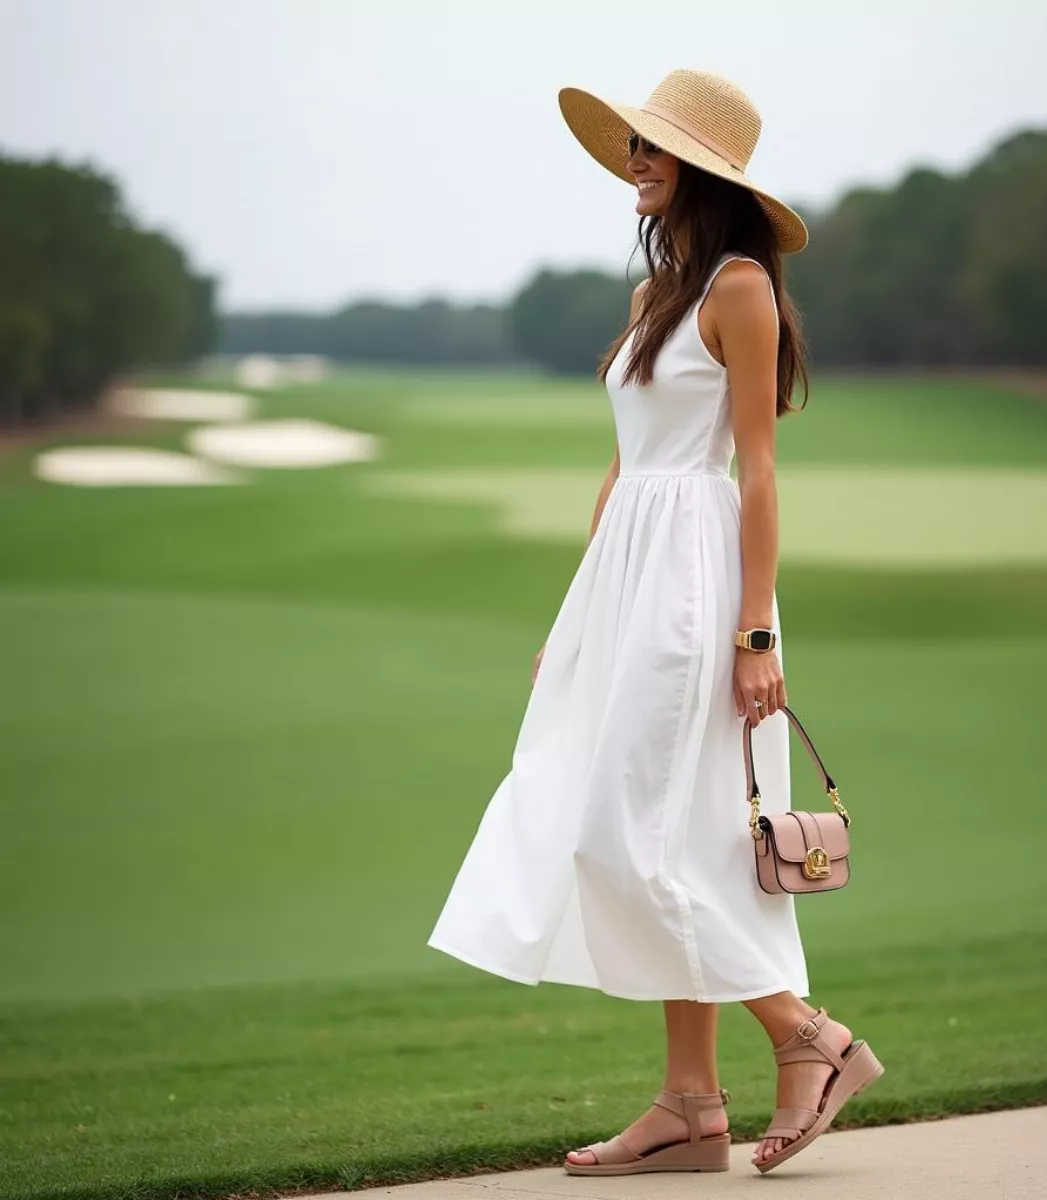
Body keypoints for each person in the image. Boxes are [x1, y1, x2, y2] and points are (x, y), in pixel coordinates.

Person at [427, 67, 882, 1177]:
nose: (634, 161)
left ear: (705, 172)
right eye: (633, 145)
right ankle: (691, 1105)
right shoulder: (655, 298)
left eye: (653, 148)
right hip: (629, 577)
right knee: (660, 834)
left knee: (626, 835)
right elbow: (623, 469)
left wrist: (758, 628)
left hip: (697, 585)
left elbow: (759, 472)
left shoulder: (740, 289)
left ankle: (809, 1038)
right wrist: (576, 613)